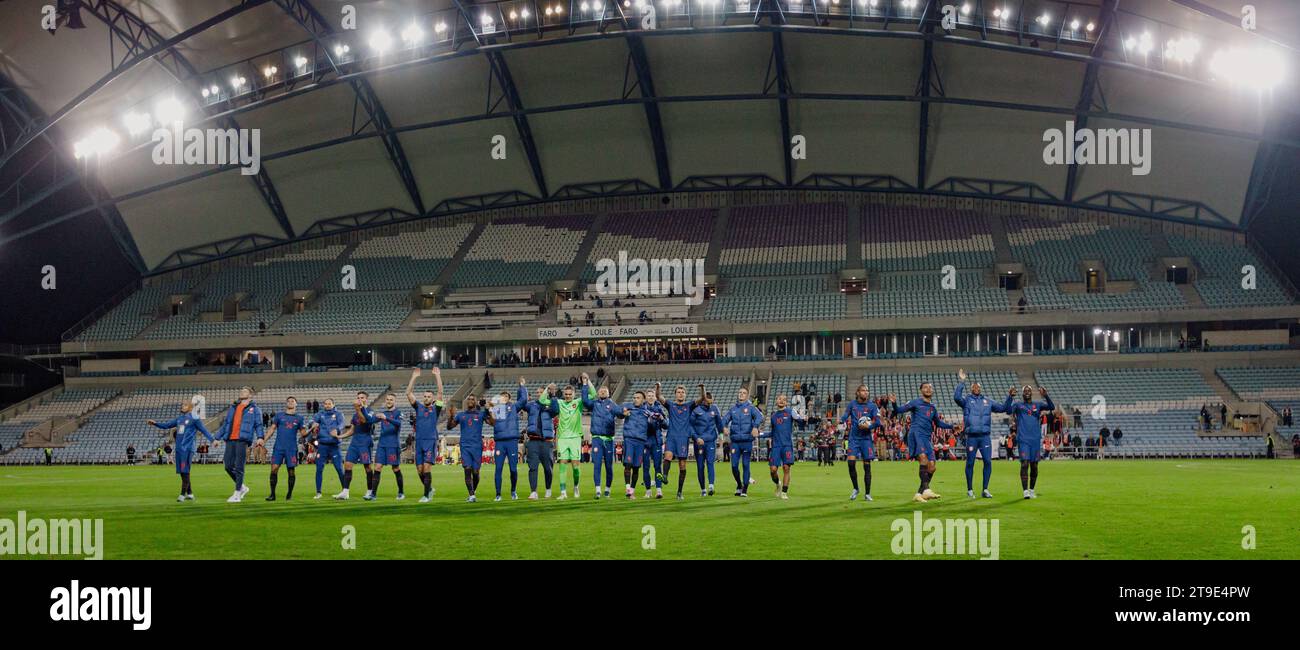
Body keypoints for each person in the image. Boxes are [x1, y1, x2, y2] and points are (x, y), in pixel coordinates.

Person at [896, 383, 956, 503]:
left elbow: (938, 423)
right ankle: (927, 490)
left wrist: (952, 426)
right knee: (923, 459)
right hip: (916, 434)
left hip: (927, 438)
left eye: (930, 387)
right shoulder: (915, 402)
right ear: (921, 390)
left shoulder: (932, 407)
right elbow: (898, 410)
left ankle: (919, 493)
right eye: (925, 387)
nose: (928, 389)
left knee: (932, 467)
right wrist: (893, 403)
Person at [953, 369, 1008, 499]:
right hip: (971, 437)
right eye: (974, 386)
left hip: (984, 437)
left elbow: (1003, 408)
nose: (976, 388)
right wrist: (962, 381)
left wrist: (1010, 397)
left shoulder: (988, 401)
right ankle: (970, 490)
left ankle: (985, 489)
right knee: (970, 463)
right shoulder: (966, 400)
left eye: (978, 386)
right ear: (971, 389)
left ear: (981, 388)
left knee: (988, 462)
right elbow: (956, 397)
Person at [147, 398, 214, 502]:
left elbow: (204, 430)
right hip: (179, 448)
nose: (182, 406)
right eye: (182, 405)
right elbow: (167, 425)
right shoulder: (179, 419)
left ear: (191, 407)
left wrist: (213, 440)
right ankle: (190, 493)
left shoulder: (194, 418)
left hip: (187, 448)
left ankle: (182, 494)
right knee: (183, 471)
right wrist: (155, 423)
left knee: (185, 470)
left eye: (185, 405)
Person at [333, 390, 388, 500]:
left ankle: (369, 491)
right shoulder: (354, 415)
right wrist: (340, 436)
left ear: (366, 399)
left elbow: (364, 420)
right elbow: (352, 430)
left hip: (365, 442)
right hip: (354, 443)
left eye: (362, 398)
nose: (360, 399)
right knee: (347, 465)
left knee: (367, 467)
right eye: (358, 398)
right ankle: (345, 492)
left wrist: (358, 409)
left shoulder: (370, 412)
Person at [214, 386, 265, 503]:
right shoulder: (233, 407)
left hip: (242, 440)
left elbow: (259, 424)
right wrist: (217, 437)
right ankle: (242, 487)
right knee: (228, 466)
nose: (242, 392)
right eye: (241, 391)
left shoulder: (255, 409)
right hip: (230, 439)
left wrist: (260, 437)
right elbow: (226, 423)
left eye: (245, 391)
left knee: (239, 467)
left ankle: (237, 494)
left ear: (250, 395)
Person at [1003, 385, 1054, 499]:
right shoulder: (1018, 405)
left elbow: (1052, 406)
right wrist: (1010, 397)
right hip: (1023, 440)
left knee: (1034, 466)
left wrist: (1045, 395)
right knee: (1024, 464)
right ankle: (1025, 491)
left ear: (1031, 393)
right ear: (1022, 394)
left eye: (1029, 391)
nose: (1027, 392)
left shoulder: (1038, 405)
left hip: (1035, 440)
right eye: (1025, 391)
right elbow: (1007, 411)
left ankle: (1031, 490)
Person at [539, 378, 587, 499]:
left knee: (576, 466)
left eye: (570, 394)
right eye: (566, 394)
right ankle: (563, 492)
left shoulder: (579, 403)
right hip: (562, 438)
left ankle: (576, 486)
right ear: (563, 394)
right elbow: (542, 400)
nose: (568, 396)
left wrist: (587, 383)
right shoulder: (559, 403)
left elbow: (592, 394)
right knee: (562, 464)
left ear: (574, 394)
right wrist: (547, 388)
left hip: (575, 437)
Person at [406, 367, 446, 502]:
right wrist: (414, 377)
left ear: (432, 398)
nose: (427, 398)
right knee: (419, 470)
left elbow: (441, 392)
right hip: (419, 441)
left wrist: (437, 376)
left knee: (427, 467)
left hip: (430, 441)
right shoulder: (418, 407)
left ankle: (426, 495)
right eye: (425, 396)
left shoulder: (436, 408)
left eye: (429, 396)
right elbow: (408, 393)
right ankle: (429, 489)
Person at [445, 394, 495, 502]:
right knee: (467, 469)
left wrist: (488, 411)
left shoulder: (481, 414)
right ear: (466, 402)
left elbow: (492, 423)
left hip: (477, 446)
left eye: (473, 399)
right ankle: (472, 495)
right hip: (465, 446)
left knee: (476, 472)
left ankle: (472, 492)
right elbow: (449, 427)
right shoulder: (461, 415)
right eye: (469, 399)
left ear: (476, 402)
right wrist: (450, 417)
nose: (471, 401)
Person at [581, 375, 623, 498]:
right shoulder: (594, 404)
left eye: (605, 391)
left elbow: (620, 413)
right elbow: (584, 400)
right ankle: (598, 490)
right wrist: (585, 385)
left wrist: (625, 413)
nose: (602, 392)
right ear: (598, 393)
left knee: (609, 465)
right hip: (597, 439)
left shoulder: (613, 405)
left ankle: (608, 489)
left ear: (609, 393)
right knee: (597, 464)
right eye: (601, 391)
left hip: (609, 440)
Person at [839, 384, 882, 502]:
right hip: (853, 438)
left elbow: (879, 422)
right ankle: (856, 488)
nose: (866, 393)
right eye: (863, 390)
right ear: (857, 392)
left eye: (867, 391)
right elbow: (845, 415)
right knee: (851, 463)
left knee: (867, 466)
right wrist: (841, 420)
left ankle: (867, 493)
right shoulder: (852, 405)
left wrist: (868, 426)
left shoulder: (872, 406)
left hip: (866, 440)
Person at [488, 379, 528, 501]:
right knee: (498, 468)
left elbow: (524, 400)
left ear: (509, 399)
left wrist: (522, 386)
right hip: (500, 442)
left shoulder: (514, 407)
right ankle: (498, 494)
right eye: (502, 396)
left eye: (506, 396)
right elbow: (489, 420)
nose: (504, 398)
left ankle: (513, 491)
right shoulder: (495, 409)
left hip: (511, 442)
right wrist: (488, 408)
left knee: (513, 468)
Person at [656, 383, 697, 500]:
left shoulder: (689, 406)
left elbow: (701, 399)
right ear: (675, 394)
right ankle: (664, 476)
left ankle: (679, 492)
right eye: (678, 392)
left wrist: (702, 389)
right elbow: (658, 396)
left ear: (685, 394)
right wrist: (658, 387)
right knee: (667, 456)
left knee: (682, 465)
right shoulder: (671, 405)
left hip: (683, 438)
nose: (680, 394)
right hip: (671, 437)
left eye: (682, 392)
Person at [721, 386, 762, 497]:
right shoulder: (733, 409)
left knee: (745, 464)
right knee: (734, 466)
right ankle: (739, 485)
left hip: (747, 441)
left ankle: (744, 489)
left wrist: (755, 427)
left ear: (747, 395)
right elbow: (724, 419)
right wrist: (723, 427)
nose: (741, 394)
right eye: (740, 392)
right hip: (735, 442)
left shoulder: (751, 408)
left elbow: (759, 416)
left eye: (744, 393)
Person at [265, 397, 307, 501]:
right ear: (286, 404)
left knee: (291, 471)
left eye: (293, 401)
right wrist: (264, 440)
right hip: (278, 447)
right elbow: (272, 429)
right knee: (274, 469)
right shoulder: (279, 416)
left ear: (296, 404)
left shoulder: (299, 418)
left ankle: (289, 494)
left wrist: (310, 429)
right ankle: (272, 494)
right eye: (288, 401)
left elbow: (303, 434)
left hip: (291, 449)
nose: (290, 402)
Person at [521, 384, 559, 499]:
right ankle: (533, 491)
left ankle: (548, 488)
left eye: (540, 392)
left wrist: (553, 396)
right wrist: (522, 388)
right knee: (533, 467)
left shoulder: (550, 404)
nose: (538, 394)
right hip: (533, 440)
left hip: (546, 442)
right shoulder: (532, 406)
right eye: (537, 392)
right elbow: (522, 403)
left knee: (548, 468)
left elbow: (556, 410)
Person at [763, 394, 804, 499]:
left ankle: (784, 492)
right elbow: (772, 432)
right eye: (779, 399)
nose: (781, 401)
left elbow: (800, 421)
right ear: (776, 401)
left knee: (786, 468)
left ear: (786, 403)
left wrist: (799, 417)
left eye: (784, 400)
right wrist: (760, 434)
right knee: (773, 470)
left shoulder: (790, 412)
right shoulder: (773, 416)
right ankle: (778, 484)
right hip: (776, 446)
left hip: (787, 446)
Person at [367, 393, 404, 501]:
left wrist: (386, 418)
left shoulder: (398, 412)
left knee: (395, 468)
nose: (388, 401)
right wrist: (363, 409)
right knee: (377, 467)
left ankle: (401, 492)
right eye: (387, 399)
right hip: (382, 445)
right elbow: (370, 420)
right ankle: (373, 494)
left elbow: (399, 424)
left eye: (391, 400)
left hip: (393, 445)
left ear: (394, 401)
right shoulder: (382, 413)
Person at [309, 398, 347, 499]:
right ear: (323, 405)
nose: (327, 405)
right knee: (319, 468)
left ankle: (345, 491)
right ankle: (318, 492)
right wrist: (312, 424)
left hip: (335, 445)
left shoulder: (339, 414)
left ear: (333, 404)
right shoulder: (320, 414)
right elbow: (312, 421)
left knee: (339, 469)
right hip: (322, 446)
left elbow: (342, 424)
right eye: (325, 404)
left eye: (329, 403)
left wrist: (337, 429)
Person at [619, 391, 654, 499]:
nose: (635, 399)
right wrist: (622, 413)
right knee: (628, 464)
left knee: (636, 467)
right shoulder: (628, 407)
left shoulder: (647, 412)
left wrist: (652, 420)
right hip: (629, 439)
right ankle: (628, 488)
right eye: (634, 397)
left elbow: (654, 425)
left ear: (643, 400)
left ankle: (632, 491)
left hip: (641, 441)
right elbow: (617, 411)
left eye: (638, 398)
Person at [690, 385, 723, 496]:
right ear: (703, 400)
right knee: (700, 466)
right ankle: (703, 489)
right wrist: (696, 438)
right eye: (708, 402)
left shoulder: (715, 408)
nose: (709, 405)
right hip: (699, 442)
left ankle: (711, 486)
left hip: (711, 441)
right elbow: (690, 426)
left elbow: (719, 424)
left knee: (710, 463)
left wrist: (721, 436)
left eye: (711, 402)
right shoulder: (696, 409)